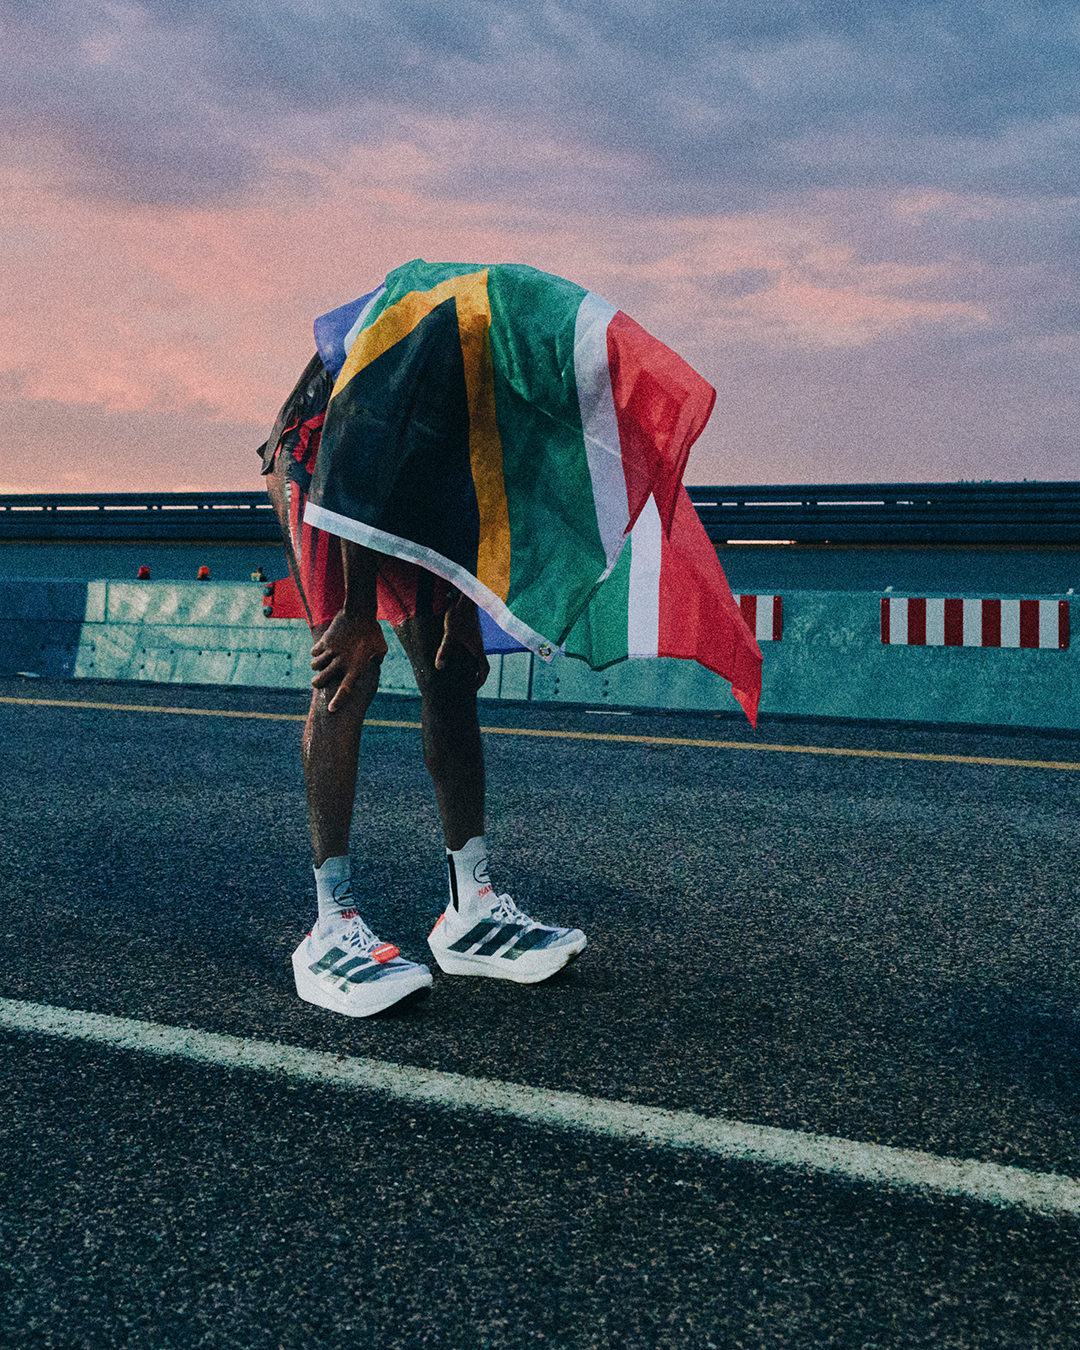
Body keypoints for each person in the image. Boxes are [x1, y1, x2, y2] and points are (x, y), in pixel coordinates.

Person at [261, 356, 587, 1019]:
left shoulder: (526, 401)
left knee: (450, 669)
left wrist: (463, 608)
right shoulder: (448, 352)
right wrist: (356, 614)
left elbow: (471, 492)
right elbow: (359, 457)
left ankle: (471, 908)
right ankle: (331, 920)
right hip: (326, 451)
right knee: (350, 669)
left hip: (407, 476)